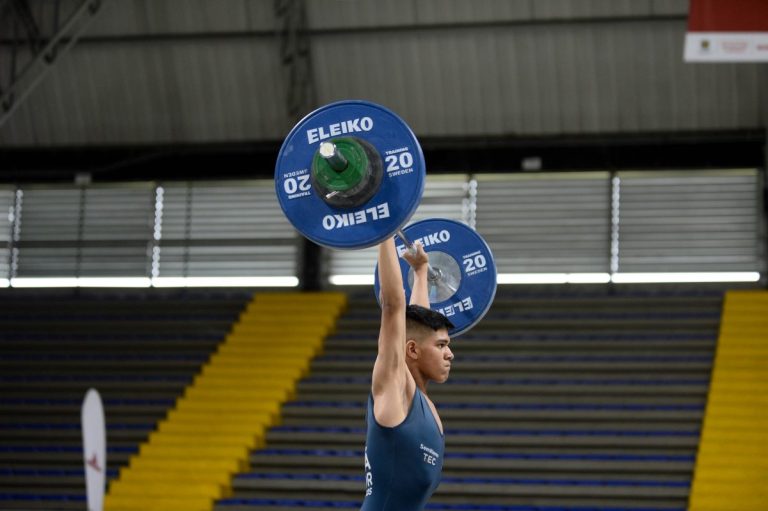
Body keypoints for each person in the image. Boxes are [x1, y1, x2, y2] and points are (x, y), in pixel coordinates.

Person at [361, 236, 455, 510]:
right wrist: (385, 232)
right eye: (442, 346)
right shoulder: (393, 389)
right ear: (412, 351)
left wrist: (420, 271)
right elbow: (394, 307)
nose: (450, 354)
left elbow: (415, 320)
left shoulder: (420, 402)